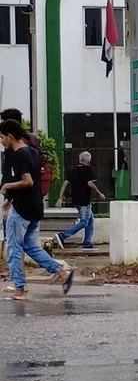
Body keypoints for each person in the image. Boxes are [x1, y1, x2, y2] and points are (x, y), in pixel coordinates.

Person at [0, 119, 73, 300]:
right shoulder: (32, 152)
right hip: (35, 207)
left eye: (2, 138)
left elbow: (28, 181)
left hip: (22, 210)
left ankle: (20, 289)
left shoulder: (19, 155)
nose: (1, 142)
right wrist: (10, 199)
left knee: (14, 249)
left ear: (10, 136)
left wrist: (7, 186)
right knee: (31, 246)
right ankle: (62, 272)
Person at [54, 151, 105, 250]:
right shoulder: (88, 170)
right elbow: (90, 183)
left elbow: (65, 183)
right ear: (89, 161)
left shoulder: (74, 170)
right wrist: (99, 193)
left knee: (90, 221)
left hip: (76, 200)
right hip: (84, 201)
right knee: (84, 222)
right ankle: (62, 235)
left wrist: (60, 197)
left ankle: (87, 243)